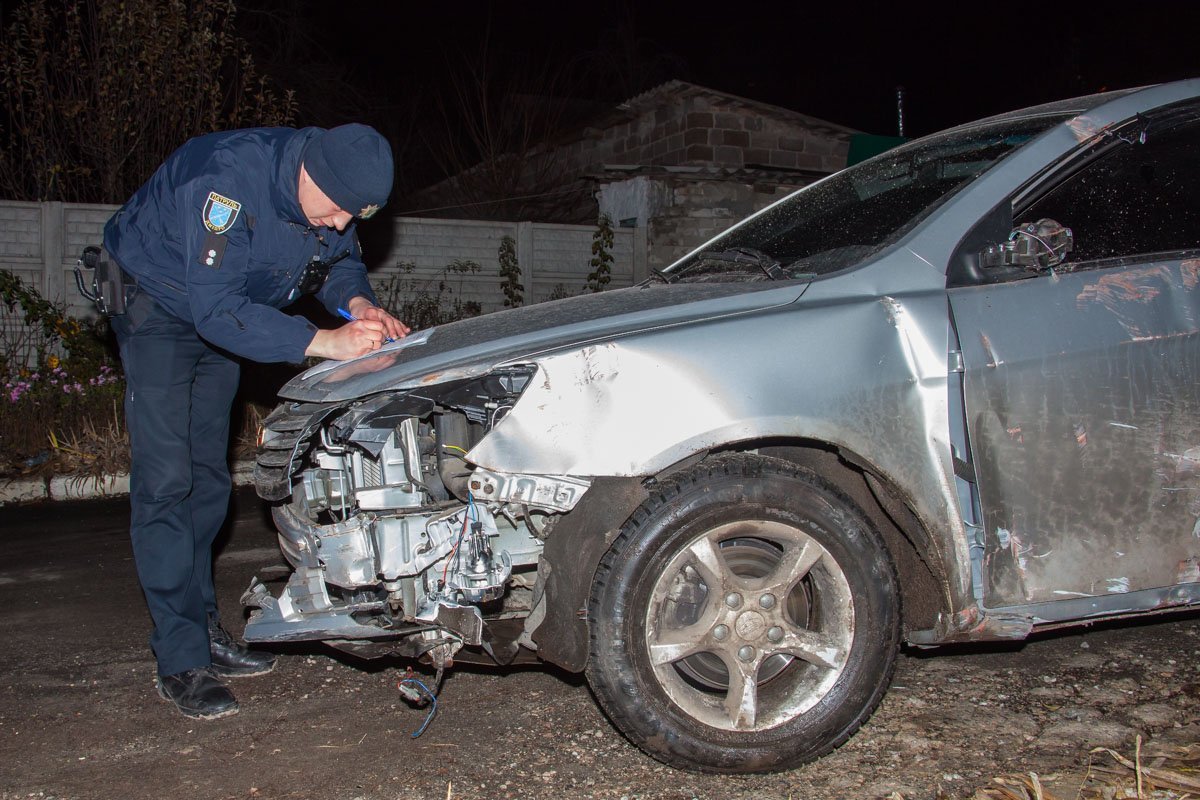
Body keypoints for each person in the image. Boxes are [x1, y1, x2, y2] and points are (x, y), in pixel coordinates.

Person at [102, 123, 409, 719]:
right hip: (159, 305)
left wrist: (360, 305)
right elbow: (214, 310)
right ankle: (180, 658)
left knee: (209, 482)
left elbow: (340, 263)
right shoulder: (224, 184)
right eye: (339, 207)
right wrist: (326, 340)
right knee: (168, 481)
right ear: (308, 174)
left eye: (357, 214)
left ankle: (204, 630)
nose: (343, 222)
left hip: (231, 312)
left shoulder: (328, 198)